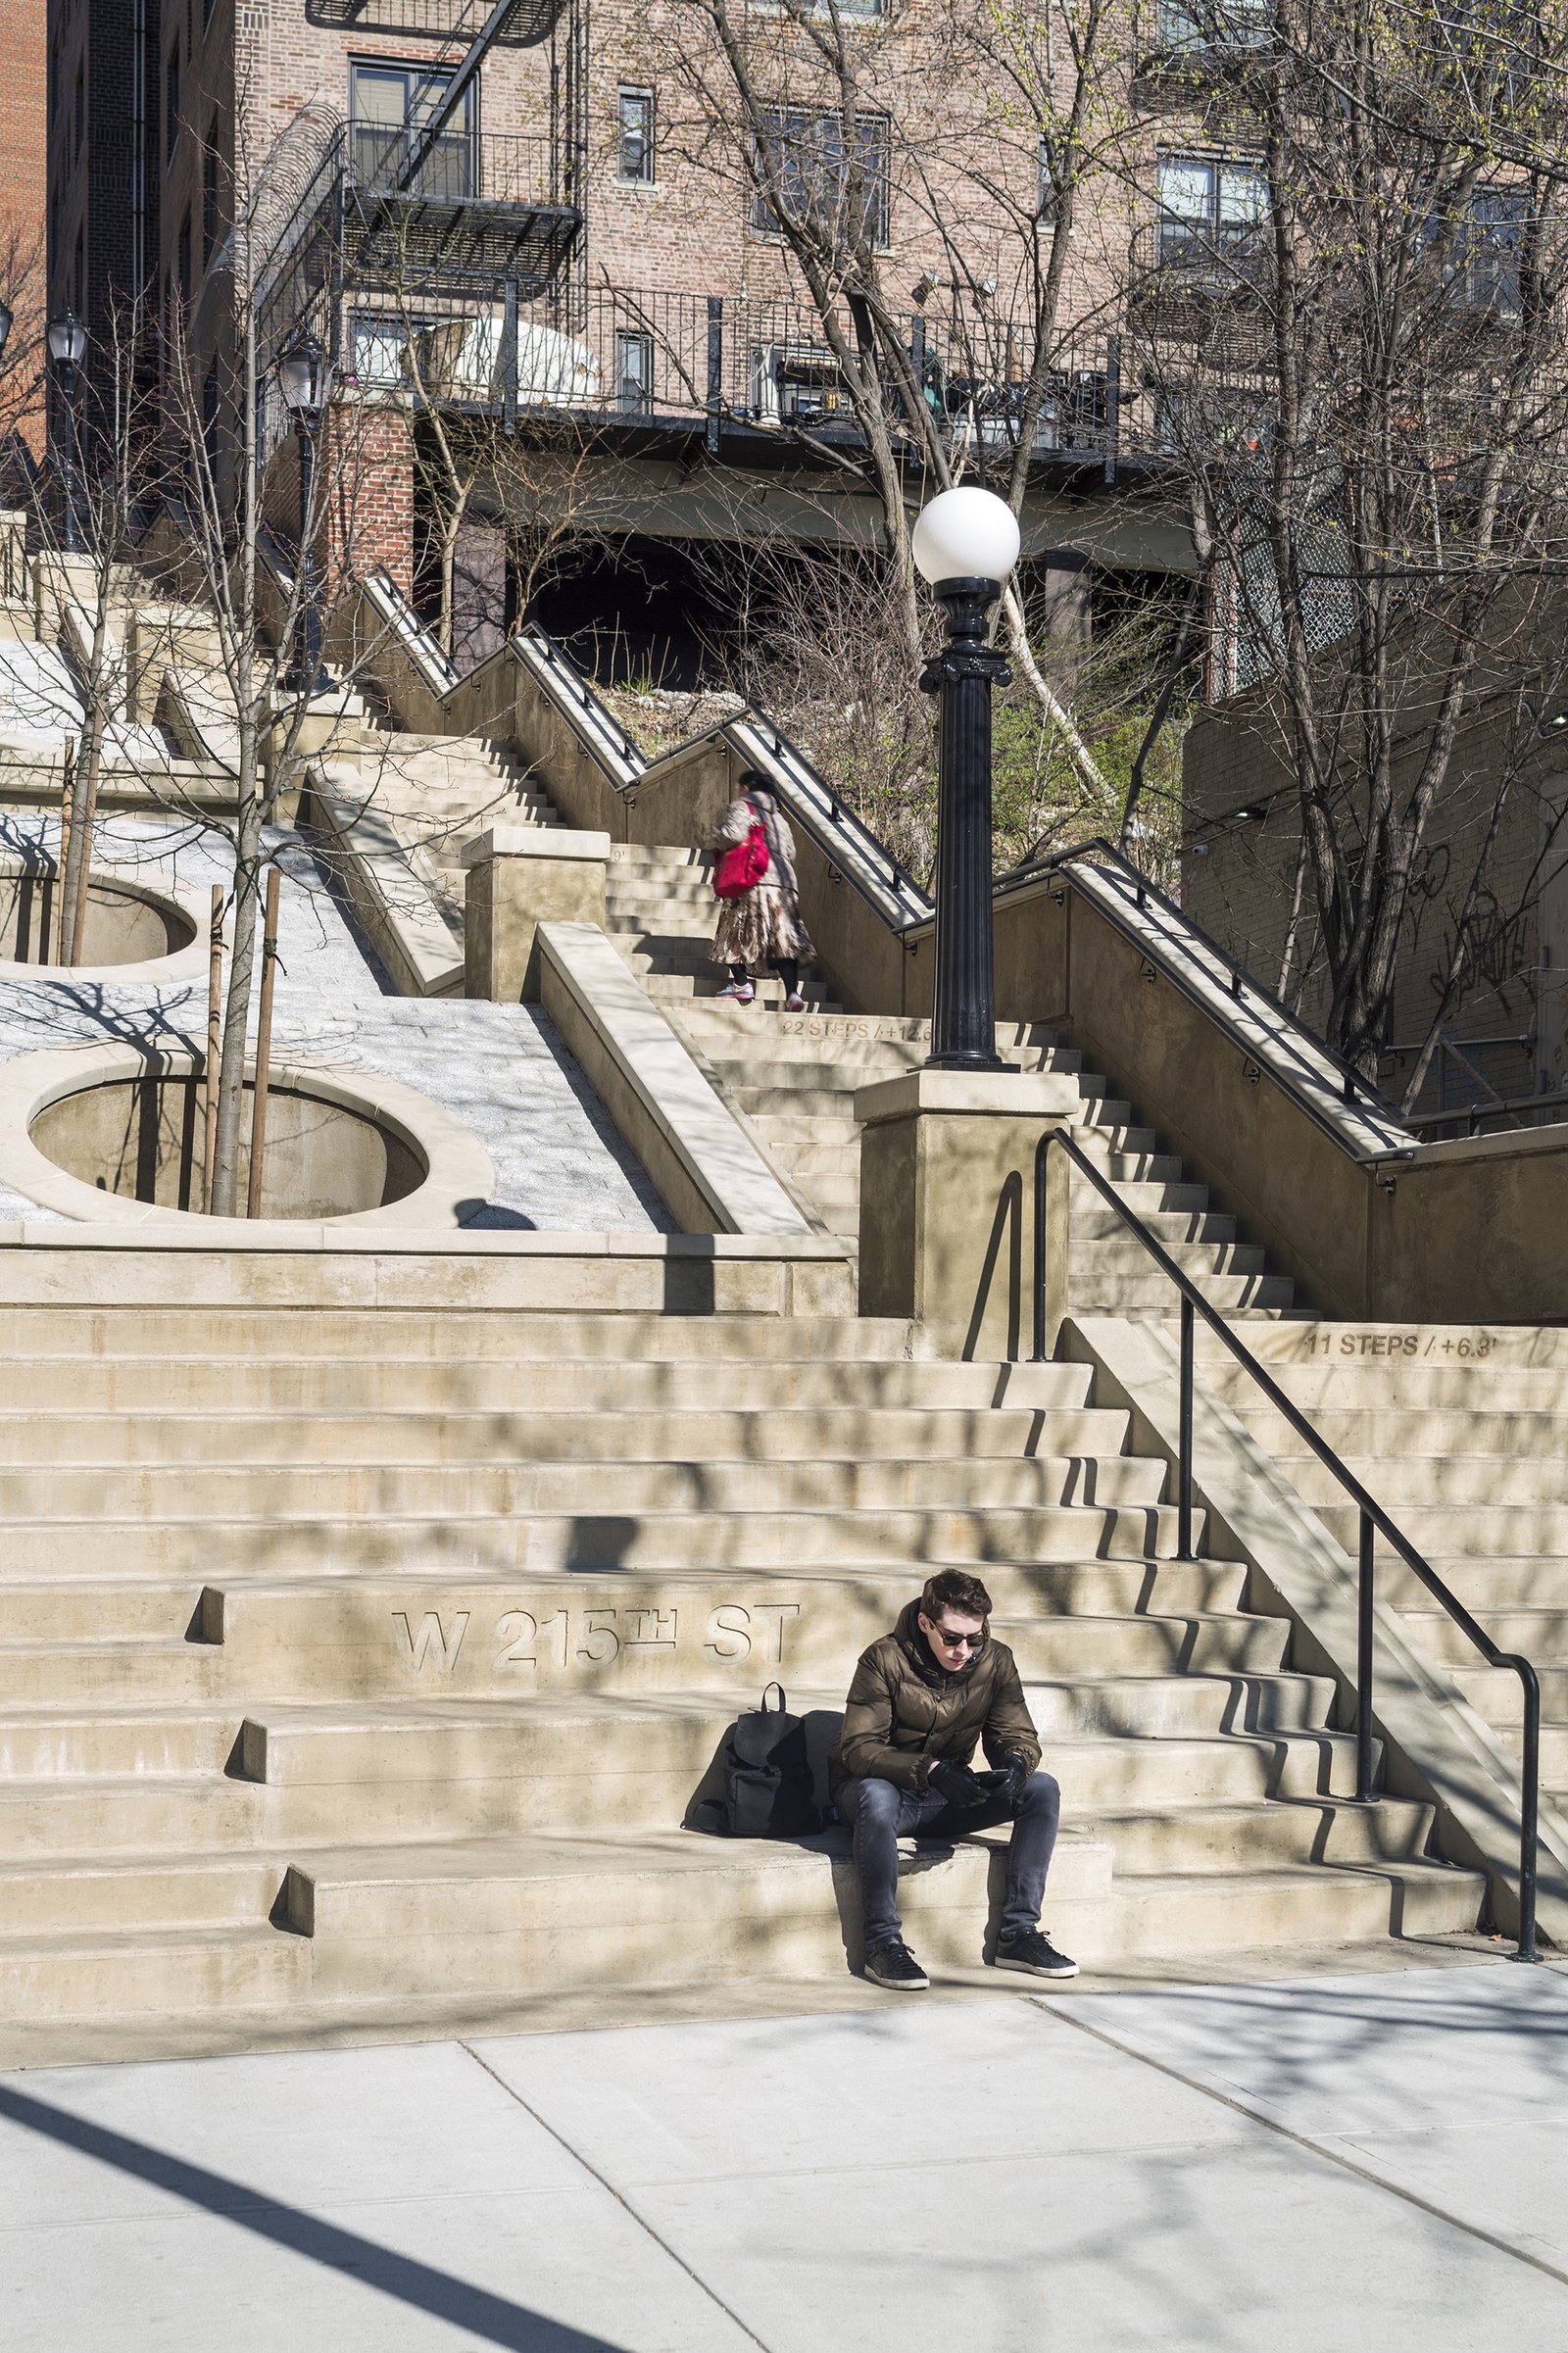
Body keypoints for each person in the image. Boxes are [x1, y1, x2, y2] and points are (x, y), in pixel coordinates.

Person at [829, 1569, 1078, 1990]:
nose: (964, 1650)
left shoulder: (996, 1660)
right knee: (877, 1795)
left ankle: (1017, 1935)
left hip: (947, 1796)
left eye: (974, 1638)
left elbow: (1015, 1734)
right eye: (952, 1638)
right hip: (877, 1796)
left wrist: (1015, 1763)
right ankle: (882, 1943)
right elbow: (859, 1748)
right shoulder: (883, 1658)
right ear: (926, 1623)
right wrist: (929, 1768)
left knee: (1041, 1788)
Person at [709, 773, 814, 1010]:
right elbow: (791, 852)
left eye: (739, 787)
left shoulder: (743, 806)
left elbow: (733, 835)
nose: (737, 791)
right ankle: (792, 994)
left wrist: (717, 834)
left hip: (753, 878)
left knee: (734, 930)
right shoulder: (779, 818)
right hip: (784, 883)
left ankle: (741, 983)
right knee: (783, 939)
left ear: (746, 787)